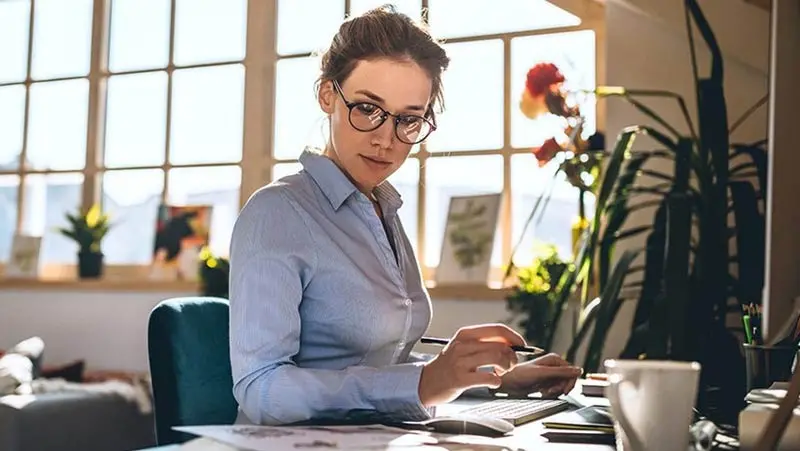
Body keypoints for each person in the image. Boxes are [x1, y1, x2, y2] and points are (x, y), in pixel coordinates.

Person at [228, 5, 582, 426]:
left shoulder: (382, 209)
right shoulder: (277, 212)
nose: (385, 140)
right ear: (327, 95)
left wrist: (491, 378)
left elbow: (383, 361)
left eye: (408, 120)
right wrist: (423, 383)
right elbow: (261, 389)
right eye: (367, 109)